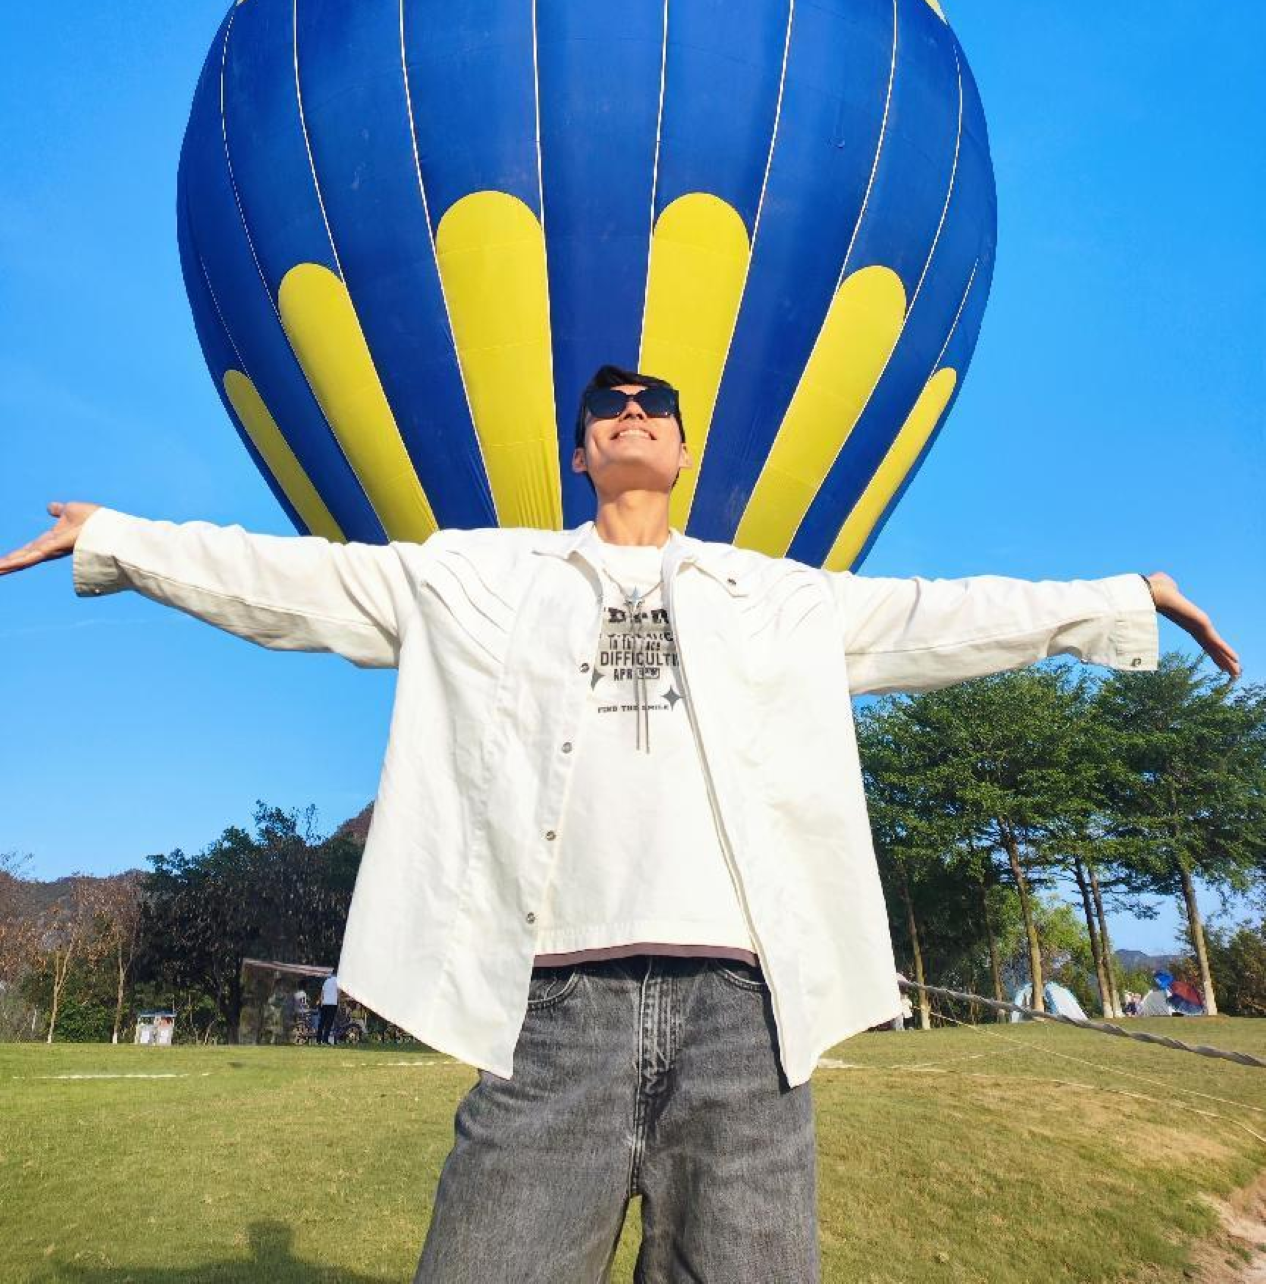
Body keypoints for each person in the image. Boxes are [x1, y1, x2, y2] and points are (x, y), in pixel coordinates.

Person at [0, 364, 1239, 1283]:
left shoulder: (778, 597)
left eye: (656, 405)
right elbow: (301, 580)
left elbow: (948, 614)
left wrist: (1123, 599)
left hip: (745, 1022)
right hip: (550, 1012)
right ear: (580, 451)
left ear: (686, 450)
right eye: (608, 405)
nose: (632, 412)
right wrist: (119, 539)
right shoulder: (477, 576)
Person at [316, 971, 340, 1045]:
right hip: (332, 1004)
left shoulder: (326, 981)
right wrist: (338, 1001)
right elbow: (338, 992)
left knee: (322, 1022)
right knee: (328, 1023)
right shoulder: (337, 981)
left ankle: (318, 1040)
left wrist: (321, 1002)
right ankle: (325, 1040)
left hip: (325, 1004)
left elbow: (322, 993)